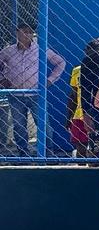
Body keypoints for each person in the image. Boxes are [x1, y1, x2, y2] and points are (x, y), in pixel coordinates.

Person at [0, 21, 65, 156]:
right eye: (24, 31)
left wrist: (49, 80)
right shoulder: (8, 51)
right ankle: (23, 154)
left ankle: (48, 153)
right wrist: (2, 79)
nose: (27, 35)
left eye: (30, 32)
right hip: (16, 94)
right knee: (19, 126)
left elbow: (60, 62)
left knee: (43, 125)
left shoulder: (40, 49)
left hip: (36, 93)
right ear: (17, 33)